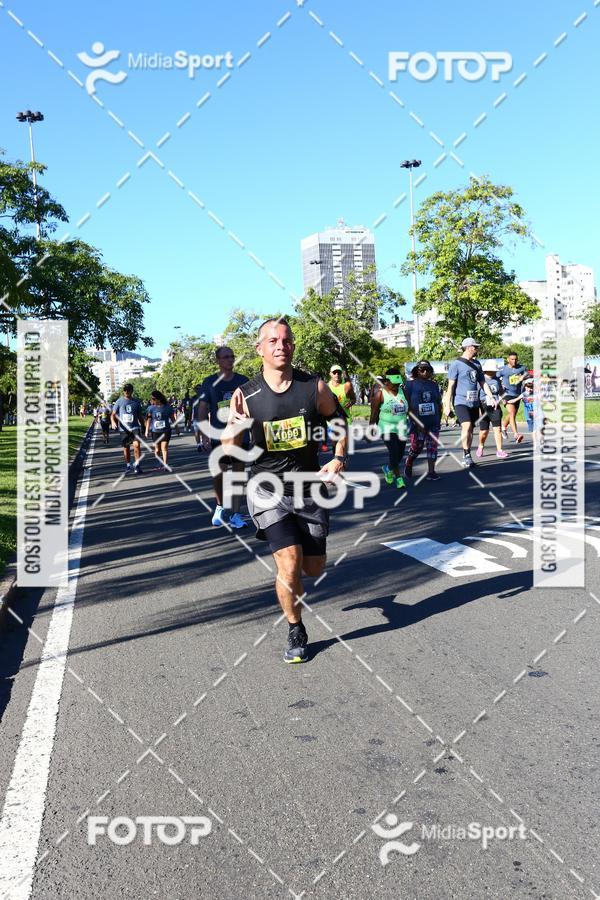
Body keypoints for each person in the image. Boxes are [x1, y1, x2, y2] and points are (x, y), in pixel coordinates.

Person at [222, 318, 348, 664]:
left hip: (309, 488)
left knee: (313, 569)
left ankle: (294, 590)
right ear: (260, 349)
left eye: (287, 340)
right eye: (273, 341)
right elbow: (229, 449)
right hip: (267, 488)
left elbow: (339, 423)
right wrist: (234, 425)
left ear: (293, 346)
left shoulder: (314, 387)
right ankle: (296, 626)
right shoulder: (245, 395)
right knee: (288, 562)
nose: (281, 345)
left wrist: (338, 458)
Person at [197, 346, 249, 529]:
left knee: (237, 475)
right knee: (219, 473)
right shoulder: (209, 382)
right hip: (219, 436)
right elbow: (202, 410)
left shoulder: (243, 381)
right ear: (218, 360)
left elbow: (253, 407)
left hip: (241, 435)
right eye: (225, 357)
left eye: (232, 356)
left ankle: (235, 513)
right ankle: (220, 506)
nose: (230, 360)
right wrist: (203, 436)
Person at [444, 338, 499, 468]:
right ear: (469, 347)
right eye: (475, 347)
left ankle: (467, 454)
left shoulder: (478, 364)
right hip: (460, 401)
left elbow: (483, 383)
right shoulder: (456, 364)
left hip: (473, 402)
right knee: (467, 425)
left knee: (471, 430)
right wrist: (447, 406)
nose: (477, 349)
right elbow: (450, 386)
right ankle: (466, 454)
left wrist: (491, 397)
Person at [369, 367, 409, 489]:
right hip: (386, 428)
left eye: (398, 384)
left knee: (400, 454)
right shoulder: (380, 394)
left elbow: (410, 409)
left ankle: (388, 468)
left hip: (401, 428)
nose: (396, 386)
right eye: (394, 384)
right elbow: (374, 413)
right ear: (387, 382)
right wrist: (371, 428)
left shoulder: (403, 392)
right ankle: (399, 479)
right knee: (394, 452)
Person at [403, 360, 442, 481]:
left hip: (433, 422)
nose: (425, 372)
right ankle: (409, 462)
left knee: (432, 447)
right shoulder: (409, 385)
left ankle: (431, 471)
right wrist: (416, 422)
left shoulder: (434, 385)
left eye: (428, 370)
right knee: (417, 447)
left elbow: (438, 402)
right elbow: (407, 406)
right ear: (417, 371)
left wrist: (439, 418)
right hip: (417, 423)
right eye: (422, 369)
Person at [111, 383, 145, 474]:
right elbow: (113, 415)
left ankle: (137, 465)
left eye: (128, 390)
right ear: (123, 391)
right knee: (126, 448)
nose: (126, 392)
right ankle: (128, 465)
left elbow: (140, 416)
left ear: (131, 391)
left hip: (134, 427)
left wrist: (143, 426)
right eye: (125, 390)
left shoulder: (136, 402)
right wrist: (113, 422)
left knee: (136, 446)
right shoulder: (119, 401)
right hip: (124, 429)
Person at [476, 366, 508, 459]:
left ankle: (499, 450)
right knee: (484, 431)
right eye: (493, 370)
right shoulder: (481, 380)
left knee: (497, 429)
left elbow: (501, 391)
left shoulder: (496, 379)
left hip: (495, 406)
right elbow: (477, 395)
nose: (495, 372)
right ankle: (481, 445)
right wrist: (478, 410)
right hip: (484, 406)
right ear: (487, 370)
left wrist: (503, 399)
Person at [497, 352, 527, 443]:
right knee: (512, 412)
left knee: (512, 415)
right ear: (508, 360)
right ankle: (516, 435)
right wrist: (500, 388)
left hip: (517, 395)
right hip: (506, 394)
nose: (514, 361)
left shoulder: (521, 368)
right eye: (512, 359)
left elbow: (527, 374)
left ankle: (503, 427)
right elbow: (495, 378)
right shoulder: (503, 369)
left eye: (516, 359)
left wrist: (523, 377)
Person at [145, 390, 175, 470]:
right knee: (157, 449)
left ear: (159, 399)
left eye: (154, 399)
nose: (152, 400)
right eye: (151, 399)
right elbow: (148, 420)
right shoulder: (150, 408)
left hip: (166, 430)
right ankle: (159, 463)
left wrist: (177, 428)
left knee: (164, 448)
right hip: (155, 431)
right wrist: (146, 430)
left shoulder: (167, 407)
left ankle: (165, 464)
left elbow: (172, 419)